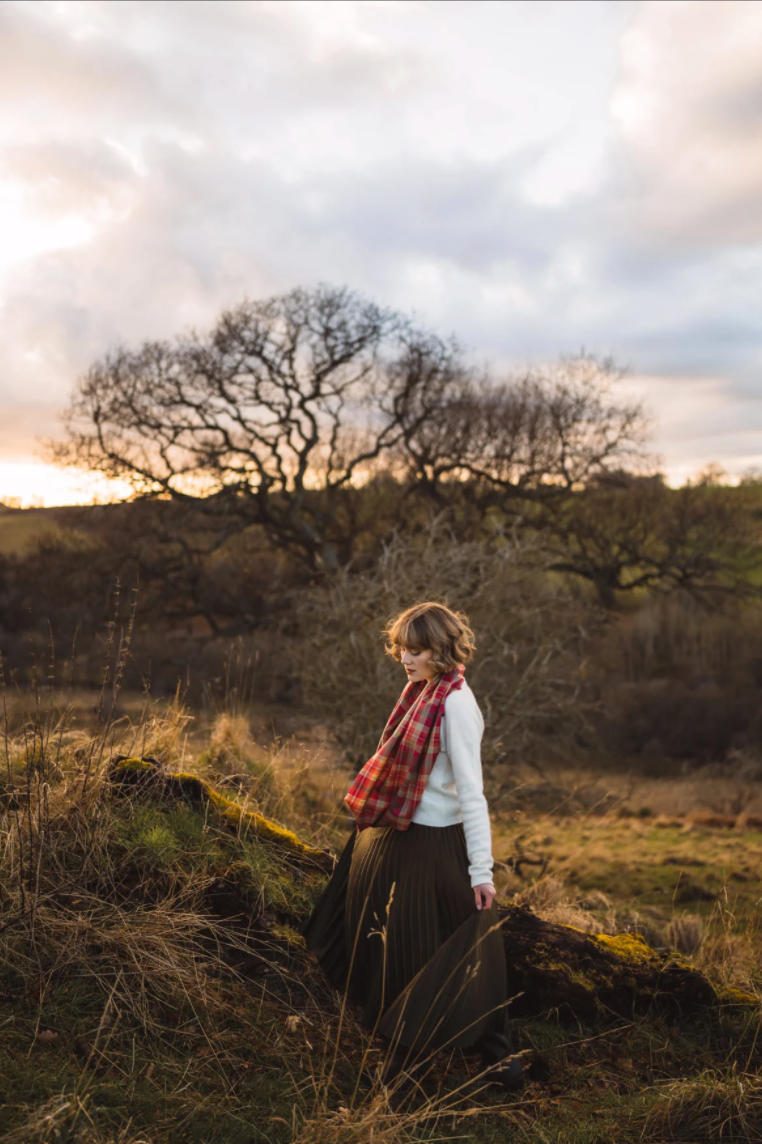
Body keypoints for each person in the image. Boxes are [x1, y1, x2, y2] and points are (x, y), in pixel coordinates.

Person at [303, 601, 522, 1090]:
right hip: (395, 835)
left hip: (434, 842)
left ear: (442, 651)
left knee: (454, 941)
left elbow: (472, 793)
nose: (406, 658)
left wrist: (481, 871)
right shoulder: (419, 694)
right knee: (388, 945)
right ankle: (440, 1052)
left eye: (417, 650)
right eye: (402, 648)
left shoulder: (456, 705)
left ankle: (464, 1060)